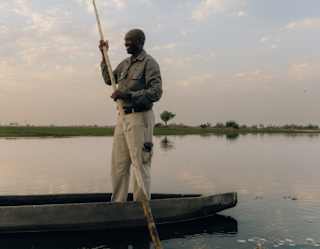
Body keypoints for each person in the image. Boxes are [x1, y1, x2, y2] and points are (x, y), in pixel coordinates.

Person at [99, 29, 162, 202]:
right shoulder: (125, 64)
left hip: (140, 118)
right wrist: (104, 56)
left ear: (140, 42)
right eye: (125, 41)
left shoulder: (150, 63)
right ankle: (118, 206)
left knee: (140, 164)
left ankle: (141, 207)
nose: (125, 44)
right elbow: (108, 79)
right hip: (123, 118)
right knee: (119, 165)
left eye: (129, 41)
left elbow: (156, 92)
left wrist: (127, 95)